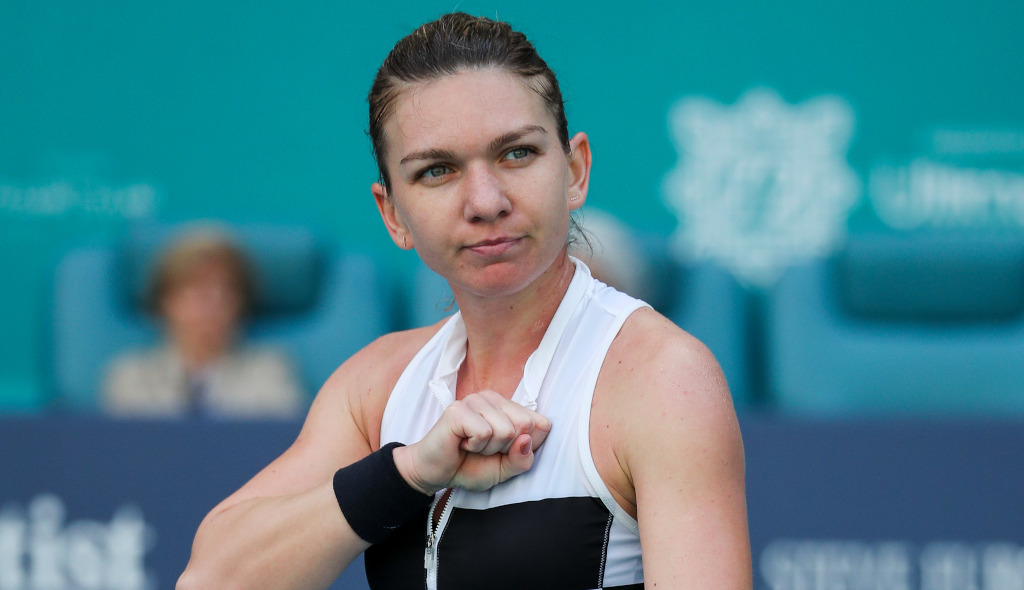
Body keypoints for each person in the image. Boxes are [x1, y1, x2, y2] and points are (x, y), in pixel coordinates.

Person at [177, 12, 749, 589]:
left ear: (575, 171)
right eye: (437, 170)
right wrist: (407, 473)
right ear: (393, 215)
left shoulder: (662, 377)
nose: (485, 201)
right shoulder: (374, 388)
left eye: (517, 153)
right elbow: (209, 580)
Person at [102, 227, 305, 419]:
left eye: (228, 290)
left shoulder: (272, 372)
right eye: (200, 291)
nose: (216, 302)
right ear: (166, 299)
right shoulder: (130, 376)